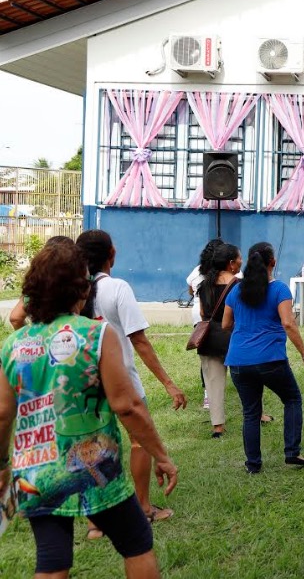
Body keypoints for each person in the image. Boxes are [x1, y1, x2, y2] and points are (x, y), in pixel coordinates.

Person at [0, 243, 178, 578]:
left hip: (36, 473)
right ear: (81, 290)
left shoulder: (14, 344)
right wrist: (162, 456)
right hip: (96, 467)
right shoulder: (96, 335)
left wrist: (2, 467)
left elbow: (2, 414)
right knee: (136, 541)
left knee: (52, 561)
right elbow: (127, 406)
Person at [76, 229, 186, 525]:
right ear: (111, 254)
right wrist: (168, 382)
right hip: (123, 381)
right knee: (139, 442)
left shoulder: (75, 290)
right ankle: (144, 508)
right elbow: (139, 341)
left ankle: (95, 521)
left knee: (91, 447)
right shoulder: (118, 288)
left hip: (83, 383)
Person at [221, 242, 304, 474]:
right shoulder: (279, 290)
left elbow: (225, 324)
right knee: (292, 399)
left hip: (238, 361)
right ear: (273, 263)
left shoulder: (236, 290)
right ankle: (292, 453)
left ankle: (253, 465)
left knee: (250, 413)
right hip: (270, 360)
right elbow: (287, 322)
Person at [196, 243, 241, 438]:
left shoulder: (204, 284)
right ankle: (257, 415)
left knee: (213, 383)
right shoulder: (238, 286)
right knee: (248, 380)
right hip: (235, 337)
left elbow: (202, 313)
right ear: (231, 263)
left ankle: (217, 427)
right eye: (239, 259)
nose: (241, 262)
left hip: (210, 339)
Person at [8, 236, 76, 330]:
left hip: (41, 340)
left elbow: (15, 318)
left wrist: (26, 336)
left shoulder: (36, 283)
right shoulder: (79, 282)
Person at [187, 238, 222, 410]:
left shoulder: (197, 271)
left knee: (206, 355)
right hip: (216, 316)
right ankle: (211, 392)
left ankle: (208, 393)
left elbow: (190, 289)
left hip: (199, 318)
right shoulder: (226, 273)